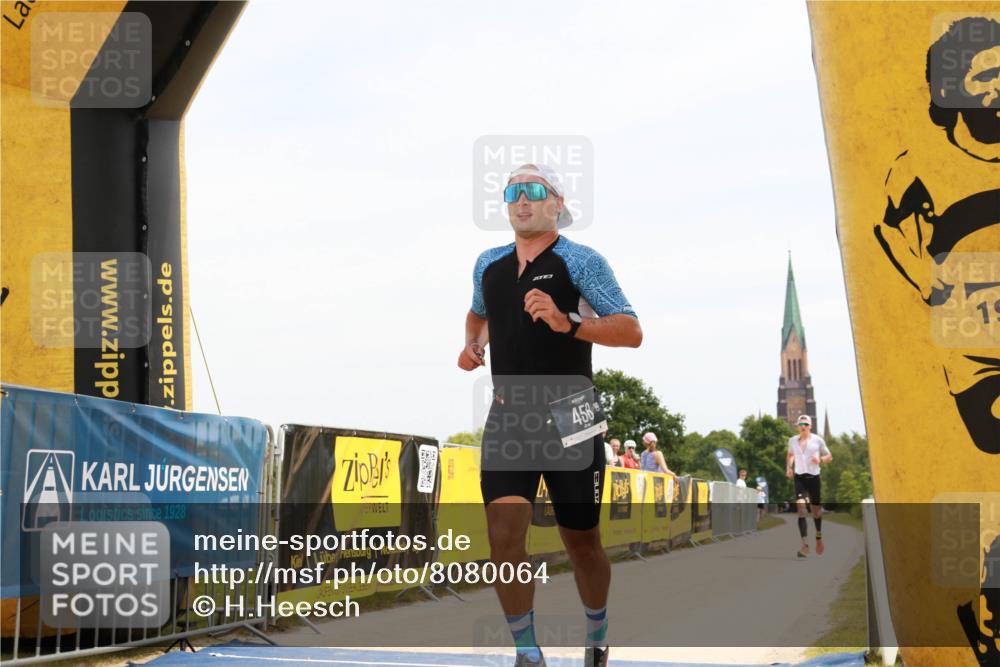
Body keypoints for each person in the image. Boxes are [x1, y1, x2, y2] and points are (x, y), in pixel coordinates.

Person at [458, 163, 642, 667]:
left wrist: (569, 323)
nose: (522, 200)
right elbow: (481, 311)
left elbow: (630, 330)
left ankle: (598, 634)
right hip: (509, 414)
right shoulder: (488, 264)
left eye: (534, 191)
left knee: (581, 540)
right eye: (513, 192)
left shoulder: (581, 260)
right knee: (503, 532)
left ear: (557, 203)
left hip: (572, 413)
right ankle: (527, 652)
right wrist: (473, 345)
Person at [786, 414, 832, 558]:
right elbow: (790, 455)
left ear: (810, 426)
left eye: (806, 424)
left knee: (816, 512)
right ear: (798, 426)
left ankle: (818, 538)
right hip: (799, 477)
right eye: (801, 424)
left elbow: (829, 456)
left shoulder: (818, 440)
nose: (803, 427)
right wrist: (789, 467)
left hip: (814, 478)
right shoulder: (792, 440)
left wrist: (820, 459)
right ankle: (805, 545)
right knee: (800, 508)